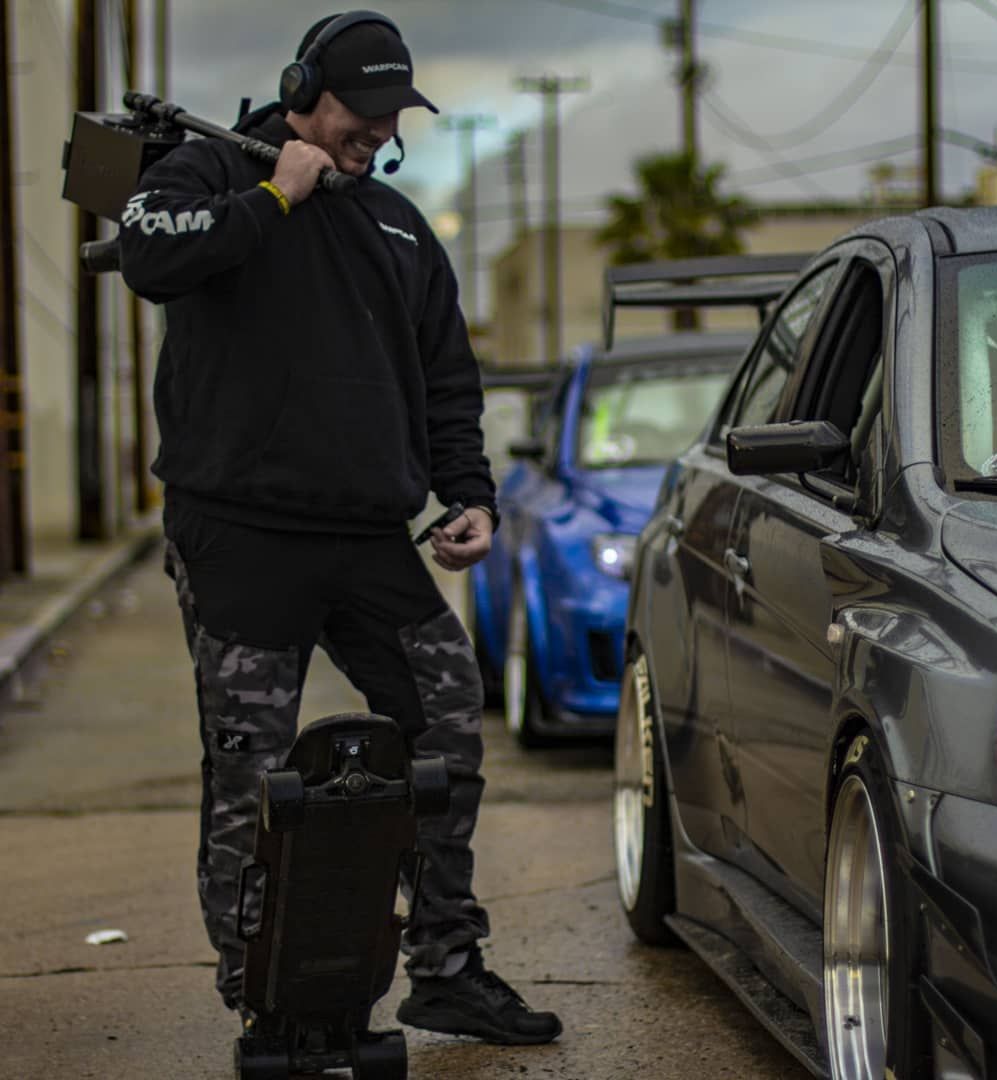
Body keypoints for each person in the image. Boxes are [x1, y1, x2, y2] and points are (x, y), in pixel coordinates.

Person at [118, 9, 562, 1047]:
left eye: (393, 113)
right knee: (251, 772)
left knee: (448, 719)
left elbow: (447, 382)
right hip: (240, 537)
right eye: (361, 110)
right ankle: (261, 998)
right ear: (302, 92)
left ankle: (447, 966)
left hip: (367, 540)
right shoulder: (209, 174)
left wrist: (471, 496)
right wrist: (275, 195)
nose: (378, 130)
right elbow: (147, 255)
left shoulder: (399, 226)